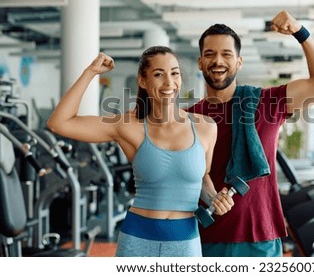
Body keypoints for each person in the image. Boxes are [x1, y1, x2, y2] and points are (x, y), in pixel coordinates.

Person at [47, 46, 234, 257]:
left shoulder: (206, 127)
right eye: (158, 74)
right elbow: (59, 123)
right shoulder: (128, 125)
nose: (169, 83)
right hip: (137, 239)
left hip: (185, 241)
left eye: (174, 73)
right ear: (142, 81)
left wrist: (215, 199)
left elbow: (202, 179)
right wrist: (90, 72)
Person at [187, 10, 314, 257]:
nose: (218, 61)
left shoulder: (267, 102)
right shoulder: (189, 118)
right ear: (200, 62)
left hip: (261, 237)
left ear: (239, 62)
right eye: (209, 54)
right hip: (205, 235)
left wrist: (301, 32)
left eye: (227, 54)